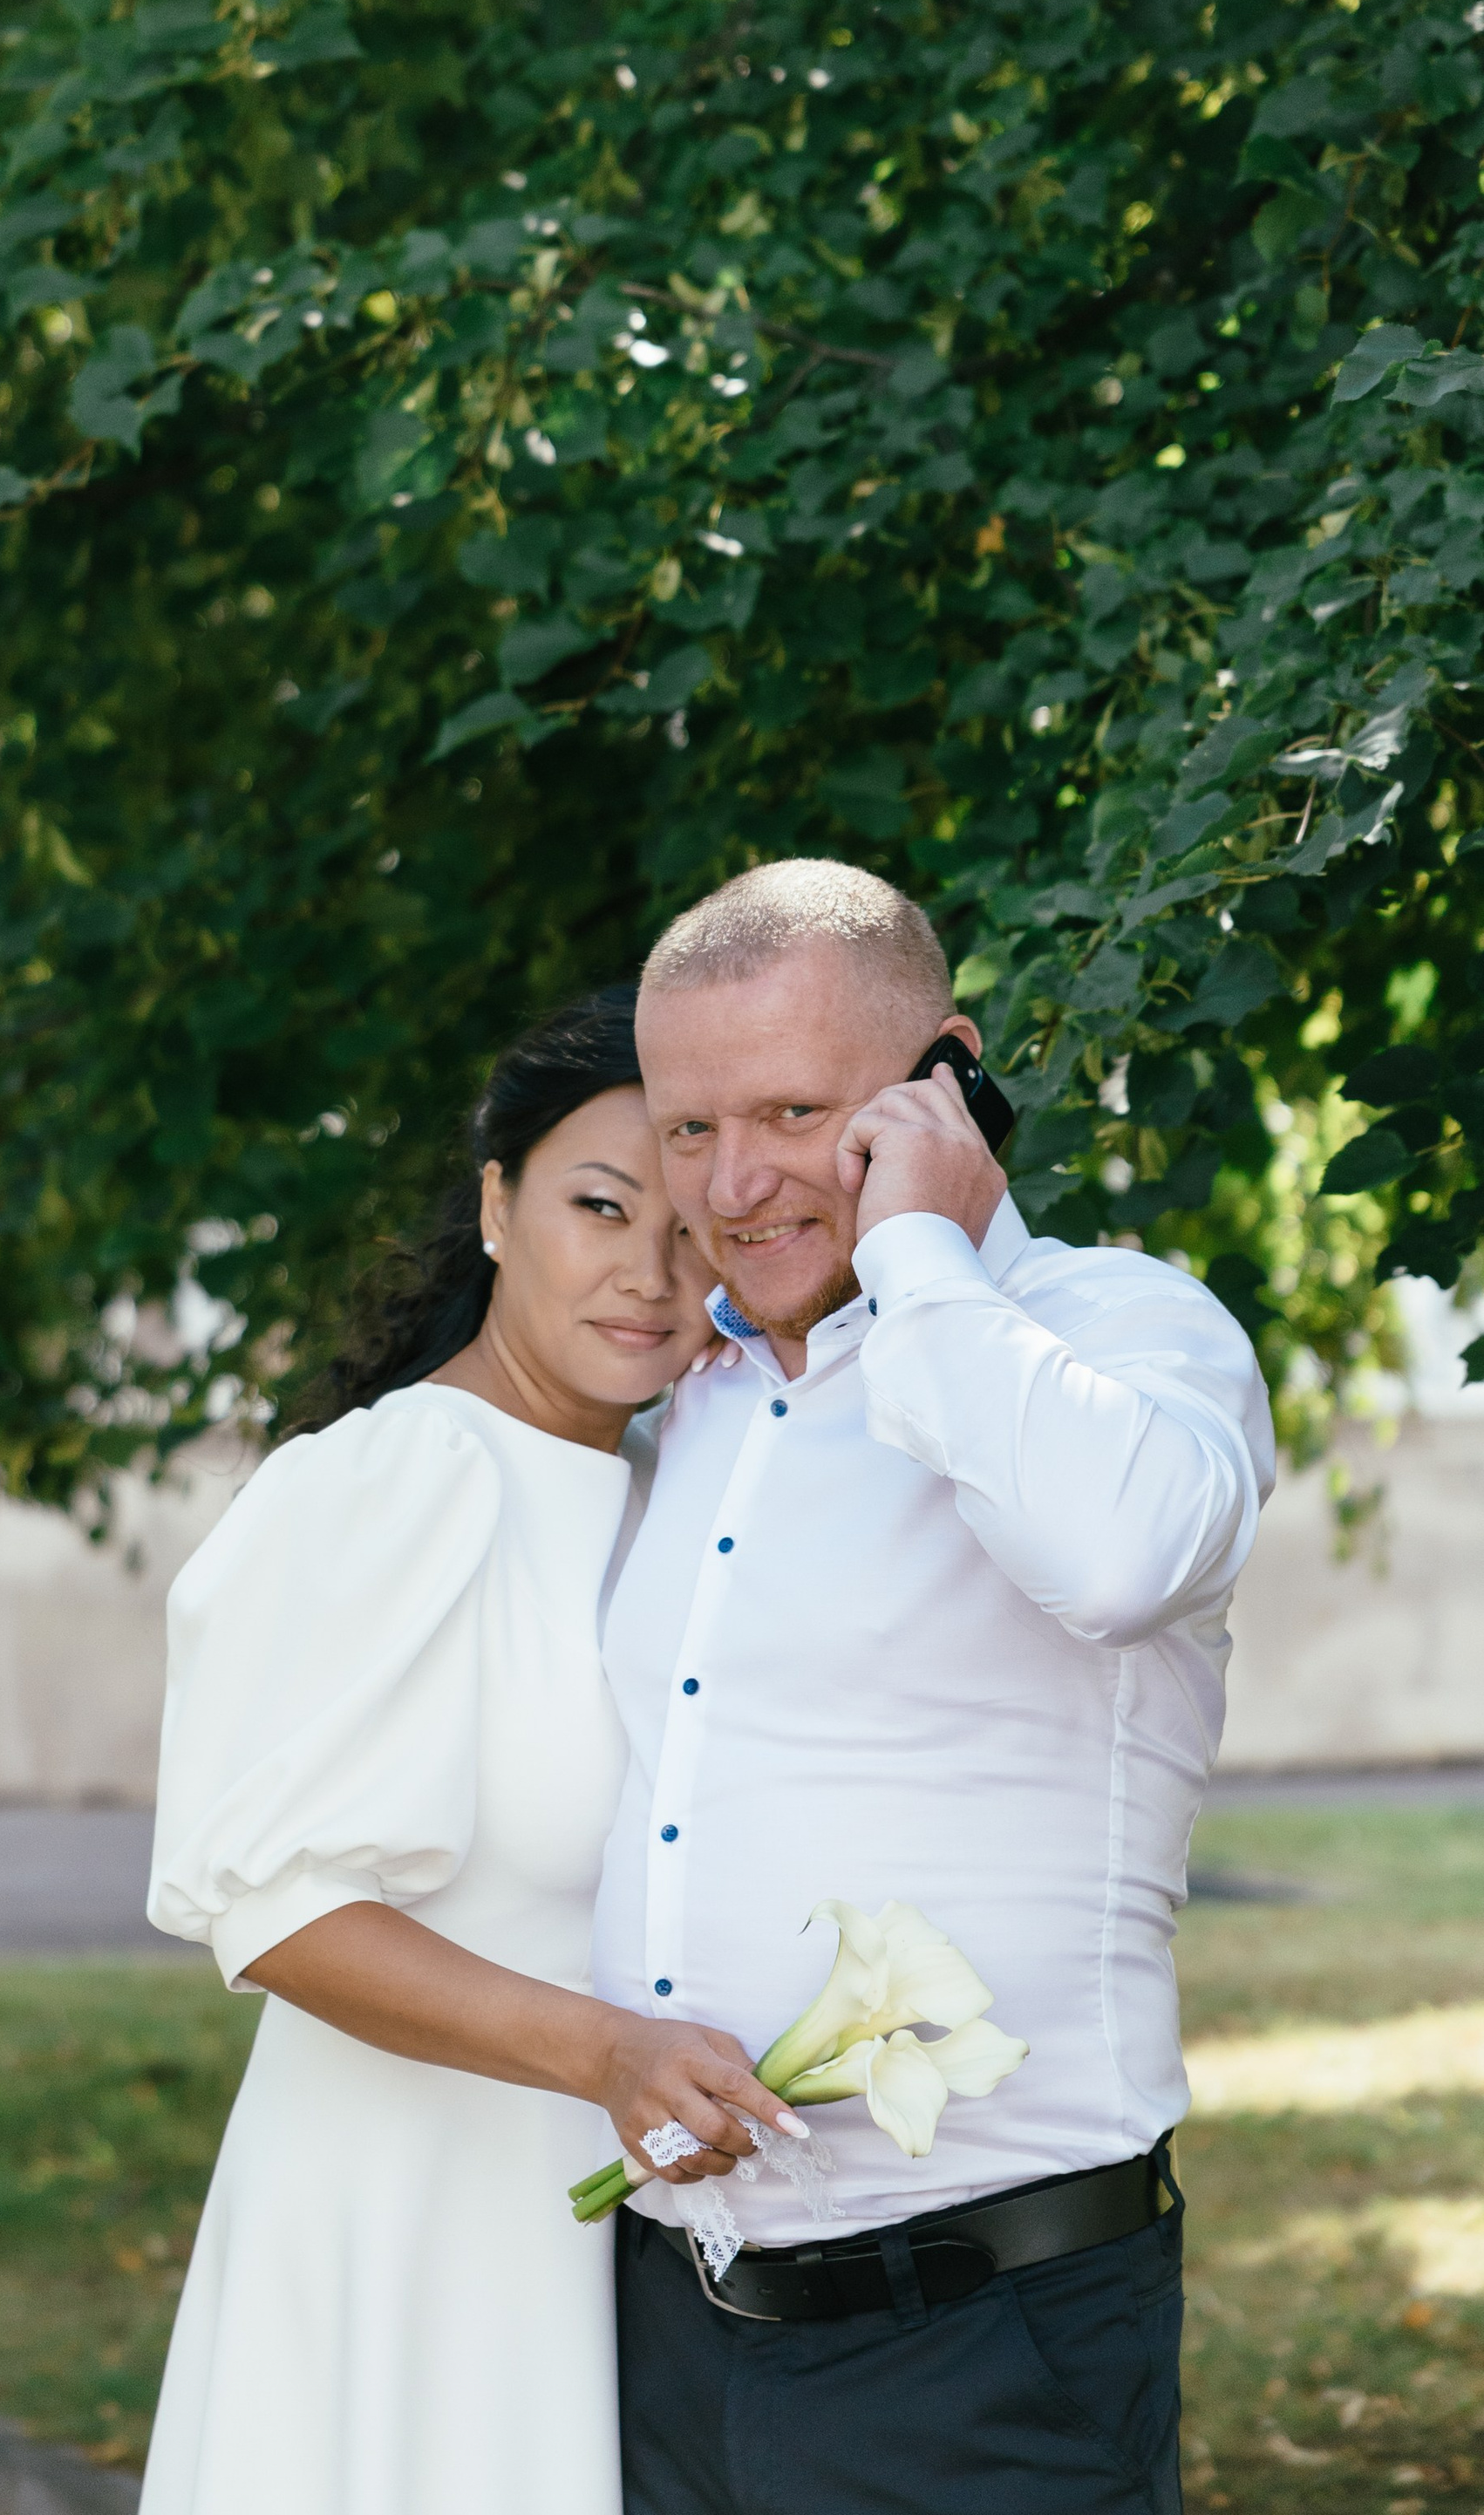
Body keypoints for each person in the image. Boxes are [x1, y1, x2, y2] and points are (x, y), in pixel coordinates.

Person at [602, 857, 1276, 2515]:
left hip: (983, 2338)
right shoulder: (688, 1399)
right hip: (667, 2331)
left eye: (792, 1112)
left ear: (945, 1080)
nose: (734, 1182)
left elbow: (1118, 1561)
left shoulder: (1125, 1332)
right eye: (689, 1130)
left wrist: (917, 1250)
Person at [140, 986, 793, 2515]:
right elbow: (281, 1916)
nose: (648, 1276)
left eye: (690, 1230)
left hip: (609, 2239)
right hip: (403, 2220)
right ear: (498, 1206)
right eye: (599, 1207)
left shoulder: (682, 1489)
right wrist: (605, 2056)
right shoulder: (402, 1477)